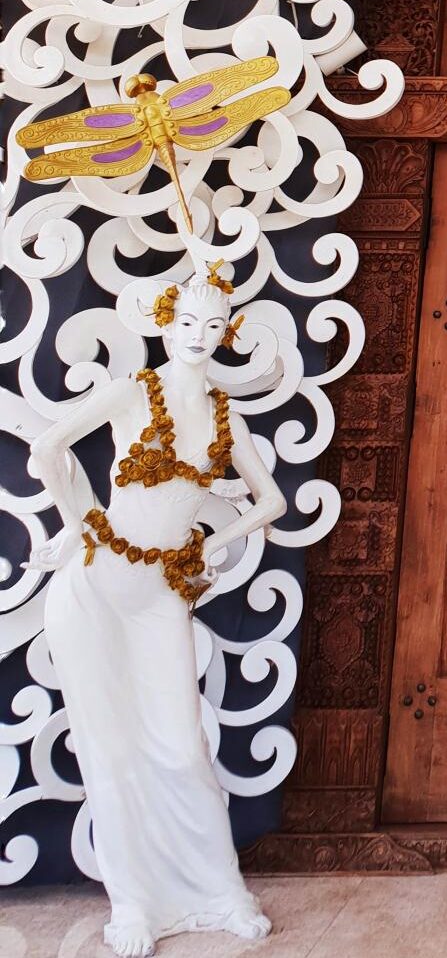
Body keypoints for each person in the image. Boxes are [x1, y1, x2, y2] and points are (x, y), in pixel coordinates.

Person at [27, 265, 286, 957]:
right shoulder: (129, 392)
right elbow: (48, 448)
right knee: (110, 748)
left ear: (225, 333)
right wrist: (80, 525)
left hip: (162, 592)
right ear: (166, 325)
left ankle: (219, 892)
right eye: (187, 321)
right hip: (97, 584)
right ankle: (134, 904)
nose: (198, 335)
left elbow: (272, 502)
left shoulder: (228, 419)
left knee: (181, 745)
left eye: (213, 324)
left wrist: (212, 543)